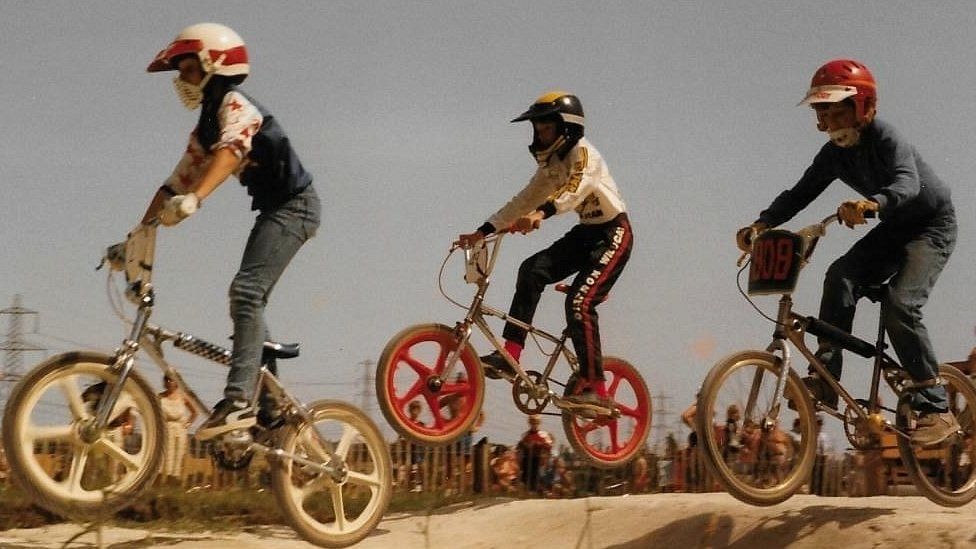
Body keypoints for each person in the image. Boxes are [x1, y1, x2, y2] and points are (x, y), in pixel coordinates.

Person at [735, 59, 957, 447]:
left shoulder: (887, 138)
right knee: (839, 277)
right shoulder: (832, 156)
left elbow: (908, 181)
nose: (833, 123)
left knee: (900, 306)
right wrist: (762, 224)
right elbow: (800, 193)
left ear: (866, 108)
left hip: (929, 226)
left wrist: (874, 203)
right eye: (825, 114)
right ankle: (825, 379)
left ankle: (936, 407)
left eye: (840, 112)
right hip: (893, 227)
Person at [139, 23, 321, 440]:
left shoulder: (237, 105)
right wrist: (137, 234)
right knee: (246, 302)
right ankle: (273, 409)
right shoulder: (206, 124)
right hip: (275, 211)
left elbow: (232, 150)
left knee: (245, 294)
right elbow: (174, 183)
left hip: (296, 207)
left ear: (212, 63)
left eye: (185, 68)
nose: (180, 80)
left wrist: (196, 199)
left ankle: (239, 401)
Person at [455, 91, 633, 417]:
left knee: (579, 302)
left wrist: (542, 214)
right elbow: (523, 200)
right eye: (536, 130)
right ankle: (510, 355)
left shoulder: (584, 154)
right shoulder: (551, 167)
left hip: (613, 235)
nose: (539, 136)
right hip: (586, 234)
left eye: (545, 129)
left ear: (566, 127)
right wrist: (482, 231)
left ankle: (597, 389)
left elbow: (575, 189)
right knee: (532, 269)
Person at [159, 373, 198, 485]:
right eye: (167, 380)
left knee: (177, 457)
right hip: (165, 430)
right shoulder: (160, 397)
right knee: (164, 458)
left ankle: (172, 483)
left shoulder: (183, 397)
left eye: (171, 380)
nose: (169, 382)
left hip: (179, 431)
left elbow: (195, 412)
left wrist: (188, 424)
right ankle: (159, 483)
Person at [517, 414, 554, 493]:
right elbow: (521, 446)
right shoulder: (525, 435)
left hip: (539, 459)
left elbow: (549, 446)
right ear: (529, 423)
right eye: (532, 422)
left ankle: (538, 490)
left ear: (539, 423)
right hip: (527, 458)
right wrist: (524, 445)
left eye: (536, 422)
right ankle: (528, 491)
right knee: (526, 476)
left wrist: (539, 444)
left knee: (537, 476)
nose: (534, 424)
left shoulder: (544, 434)